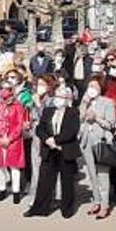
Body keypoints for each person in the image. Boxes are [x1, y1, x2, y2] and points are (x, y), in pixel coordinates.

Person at [27, 85, 81, 218]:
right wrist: (47, 140)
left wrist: (55, 140)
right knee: (44, 180)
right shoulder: (48, 110)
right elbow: (40, 128)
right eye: (57, 96)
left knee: (67, 180)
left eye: (61, 97)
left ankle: (67, 209)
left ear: (67, 98)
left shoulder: (73, 112)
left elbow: (72, 131)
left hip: (65, 149)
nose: (58, 99)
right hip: (49, 149)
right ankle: (39, 208)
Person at [79, 75, 116, 219]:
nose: (92, 89)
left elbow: (111, 124)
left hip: (100, 140)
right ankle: (96, 200)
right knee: (91, 173)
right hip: (86, 140)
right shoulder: (85, 102)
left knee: (102, 174)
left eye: (95, 87)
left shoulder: (107, 102)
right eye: (90, 87)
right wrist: (84, 106)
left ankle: (105, 204)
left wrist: (96, 118)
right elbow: (79, 119)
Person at [0, 81, 27, 203]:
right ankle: (2, 190)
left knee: (14, 167)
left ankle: (16, 192)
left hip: (13, 141)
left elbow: (20, 124)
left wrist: (10, 138)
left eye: (8, 89)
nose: (5, 92)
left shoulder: (18, 106)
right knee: (0, 167)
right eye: (2, 89)